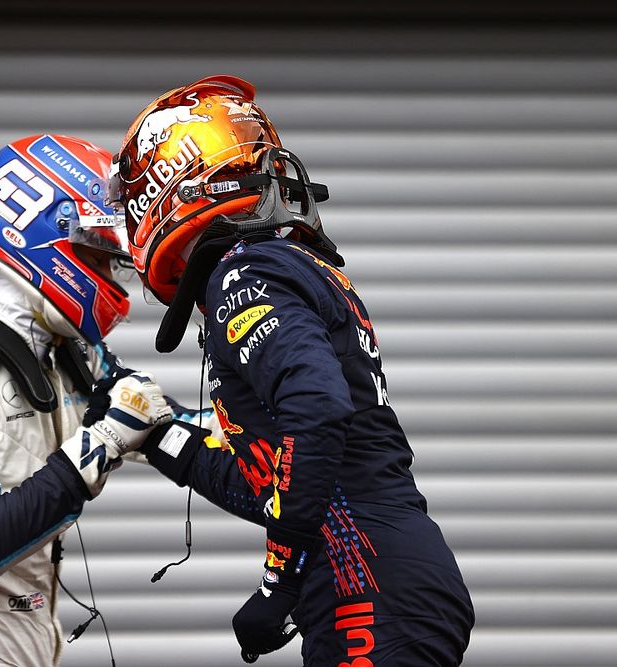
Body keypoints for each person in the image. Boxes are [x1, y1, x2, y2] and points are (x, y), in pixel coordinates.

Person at [110, 76, 476, 665]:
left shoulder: (245, 270)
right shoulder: (285, 264)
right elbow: (281, 481)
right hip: (382, 572)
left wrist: (276, 583)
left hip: (368, 579)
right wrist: (158, 437)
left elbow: (318, 411)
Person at [0, 134, 175, 666]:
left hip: (39, 644)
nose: (109, 271)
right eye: (94, 249)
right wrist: (103, 442)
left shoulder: (69, 354)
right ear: (36, 232)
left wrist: (262, 435)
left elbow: (157, 418)